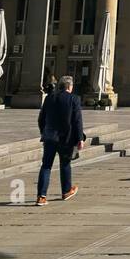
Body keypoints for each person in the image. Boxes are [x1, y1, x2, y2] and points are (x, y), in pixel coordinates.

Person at [35, 75, 85, 205]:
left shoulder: (49, 97)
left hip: (49, 137)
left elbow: (41, 118)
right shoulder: (74, 99)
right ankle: (66, 191)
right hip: (66, 138)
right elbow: (77, 120)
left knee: (46, 166)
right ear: (69, 86)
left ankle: (41, 196)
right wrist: (80, 138)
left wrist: (44, 132)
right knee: (65, 164)